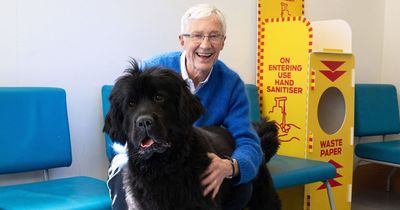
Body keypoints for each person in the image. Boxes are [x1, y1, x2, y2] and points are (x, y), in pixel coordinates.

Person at [107, 4, 263, 210]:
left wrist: (231, 167)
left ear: (223, 42)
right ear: (182, 39)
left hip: (191, 155)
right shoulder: (149, 72)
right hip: (141, 158)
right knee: (124, 170)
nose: (205, 44)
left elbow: (248, 141)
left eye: (214, 36)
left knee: (242, 186)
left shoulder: (231, 84)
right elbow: (118, 127)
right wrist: (141, 143)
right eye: (197, 35)